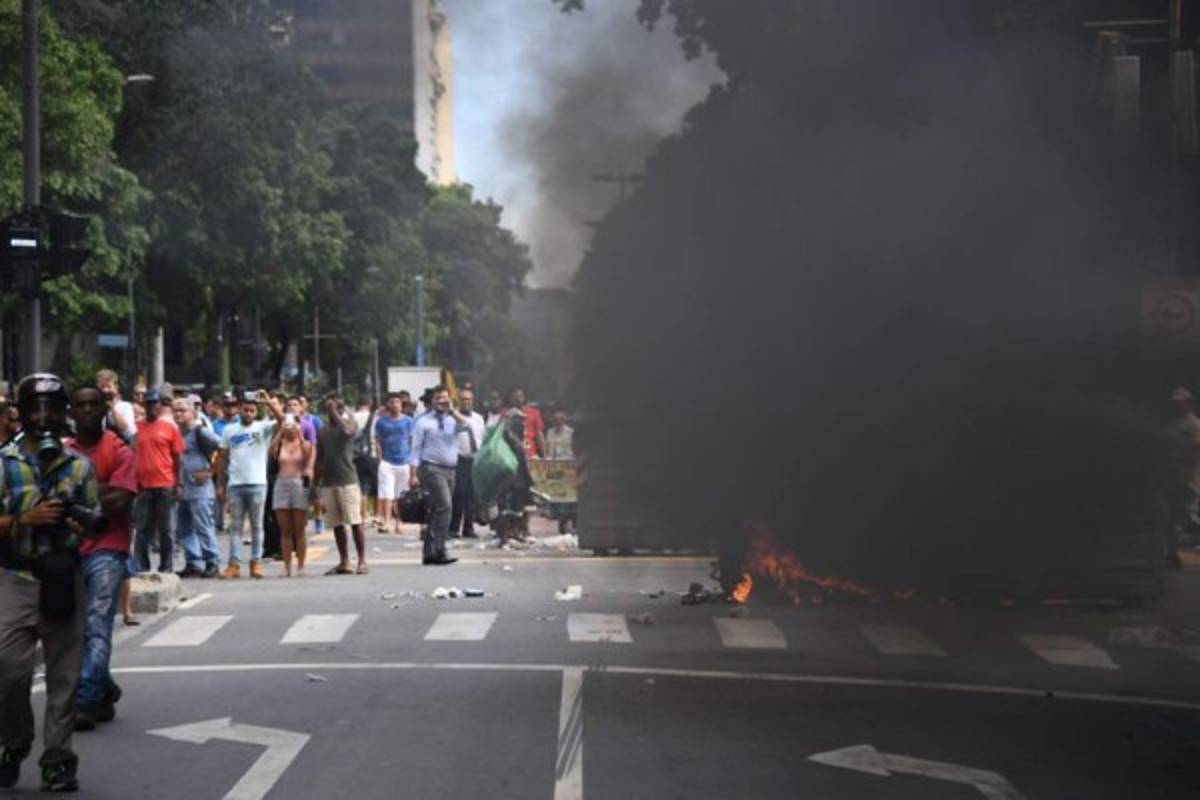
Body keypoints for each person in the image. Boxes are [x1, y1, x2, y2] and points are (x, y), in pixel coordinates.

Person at [0, 373, 101, 791]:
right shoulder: (4, 462)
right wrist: (22, 520)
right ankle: (13, 741)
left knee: (64, 675)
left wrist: (77, 522)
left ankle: (58, 759)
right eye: (35, 408)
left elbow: (95, 521)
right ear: (21, 413)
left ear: (63, 414)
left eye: (52, 408)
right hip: (14, 575)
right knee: (8, 670)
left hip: (63, 576)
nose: (43, 416)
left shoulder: (79, 465)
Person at [65, 386, 138, 733]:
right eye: (80, 405)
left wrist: (75, 497)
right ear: (71, 412)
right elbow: (50, 499)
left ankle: (85, 699)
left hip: (109, 548)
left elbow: (121, 500)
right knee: (74, 629)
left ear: (104, 410)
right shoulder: (63, 451)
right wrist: (102, 488)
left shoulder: (119, 450)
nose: (87, 410)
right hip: (69, 550)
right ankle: (104, 687)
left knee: (97, 624)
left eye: (94, 404)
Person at [215, 392, 285, 579]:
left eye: (252, 410)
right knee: (235, 526)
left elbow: (282, 419)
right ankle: (234, 564)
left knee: (257, 525)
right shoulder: (229, 430)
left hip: (257, 483)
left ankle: (256, 562)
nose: (248, 413)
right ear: (239, 410)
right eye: (245, 410)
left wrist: (268, 402)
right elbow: (222, 458)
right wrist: (220, 484)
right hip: (235, 484)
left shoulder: (263, 427)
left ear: (256, 412)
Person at [409, 386, 468, 565]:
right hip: (431, 468)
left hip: (451, 469)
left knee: (437, 510)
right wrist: (413, 474)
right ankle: (440, 549)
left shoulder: (452, 419)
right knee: (445, 507)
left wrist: (452, 411)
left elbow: (467, 426)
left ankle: (429, 553)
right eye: (438, 398)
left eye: (444, 397)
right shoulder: (423, 422)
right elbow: (415, 448)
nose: (441, 401)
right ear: (432, 401)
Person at [132, 388, 185, 574]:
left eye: (155, 403)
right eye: (148, 403)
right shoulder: (136, 427)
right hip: (143, 485)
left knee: (166, 529)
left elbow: (178, 457)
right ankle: (141, 566)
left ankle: (166, 566)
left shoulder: (169, 427)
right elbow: (131, 453)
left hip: (165, 484)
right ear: (144, 405)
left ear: (160, 405)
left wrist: (179, 483)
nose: (152, 407)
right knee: (142, 528)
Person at [314, 395, 367, 574]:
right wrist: (316, 484)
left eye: (337, 406)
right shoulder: (322, 430)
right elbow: (319, 458)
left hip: (347, 480)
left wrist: (335, 413)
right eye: (329, 406)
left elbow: (347, 432)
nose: (332, 410)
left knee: (355, 521)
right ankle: (344, 561)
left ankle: (361, 561)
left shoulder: (349, 422)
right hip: (329, 481)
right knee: (336, 524)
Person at [172, 399, 222, 579]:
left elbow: (223, 448)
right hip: (181, 489)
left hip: (199, 489)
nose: (179, 414)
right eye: (176, 410)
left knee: (203, 525)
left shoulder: (201, 432)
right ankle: (193, 562)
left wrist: (210, 471)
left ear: (193, 413)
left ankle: (212, 561)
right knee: (183, 528)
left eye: (183, 410)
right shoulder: (175, 433)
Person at [269, 417, 313, 577]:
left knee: (299, 530)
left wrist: (300, 435)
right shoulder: (280, 444)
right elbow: (270, 452)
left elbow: (308, 456)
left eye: (294, 424)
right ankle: (286, 566)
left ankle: (301, 566)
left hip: (299, 484)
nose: (291, 428)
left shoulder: (304, 444)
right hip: (281, 484)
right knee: (285, 530)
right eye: (289, 424)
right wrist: (281, 431)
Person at [1165, 386, 1200, 570]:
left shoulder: (1194, 424)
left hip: (1188, 476)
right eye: (1175, 402)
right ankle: (1173, 554)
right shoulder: (1172, 423)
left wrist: (1189, 474)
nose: (1178, 405)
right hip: (1172, 474)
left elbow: (1196, 450)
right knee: (1172, 517)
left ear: (1188, 402)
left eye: (1181, 402)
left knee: (1189, 516)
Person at [374, 392, 414, 535]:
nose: (395, 404)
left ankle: (399, 522)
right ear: (387, 405)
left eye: (397, 402)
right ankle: (386, 521)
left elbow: (411, 441)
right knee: (387, 493)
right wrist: (380, 459)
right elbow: (377, 441)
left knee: (401, 495)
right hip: (387, 462)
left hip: (404, 462)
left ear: (401, 404)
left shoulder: (408, 421)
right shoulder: (381, 422)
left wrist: (412, 462)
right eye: (392, 402)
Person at [450, 388, 485, 539]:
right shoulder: (452, 418)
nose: (466, 402)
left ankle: (468, 528)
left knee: (472, 495)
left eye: (468, 399)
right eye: (463, 399)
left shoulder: (479, 418)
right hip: (459, 459)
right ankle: (454, 528)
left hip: (475, 460)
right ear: (458, 400)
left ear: (472, 401)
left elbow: (482, 438)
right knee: (459, 494)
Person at [353, 400, 379, 527]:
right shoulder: (375, 417)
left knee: (362, 488)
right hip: (372, 455)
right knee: (378, 488)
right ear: (368, 405)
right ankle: (377, 516)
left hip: (357, 456)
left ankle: (362, 517)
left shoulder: (353, 416)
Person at [95, 369, 135, 445]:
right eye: (102, 387)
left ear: (116, 387)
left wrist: (112, 409)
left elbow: (130, 434)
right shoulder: (94, 409)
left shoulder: (125, 407)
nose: (105, 390)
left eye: (108, 387)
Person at [509, 388, 545, 459]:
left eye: (520, 396)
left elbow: (539, 435)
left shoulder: (534, 413)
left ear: (524, 397)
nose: (518, 399)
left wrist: (544, 456)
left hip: (530, 453)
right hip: (513, 455)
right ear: (511, 399)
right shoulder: (507, 414)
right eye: (515, 397)